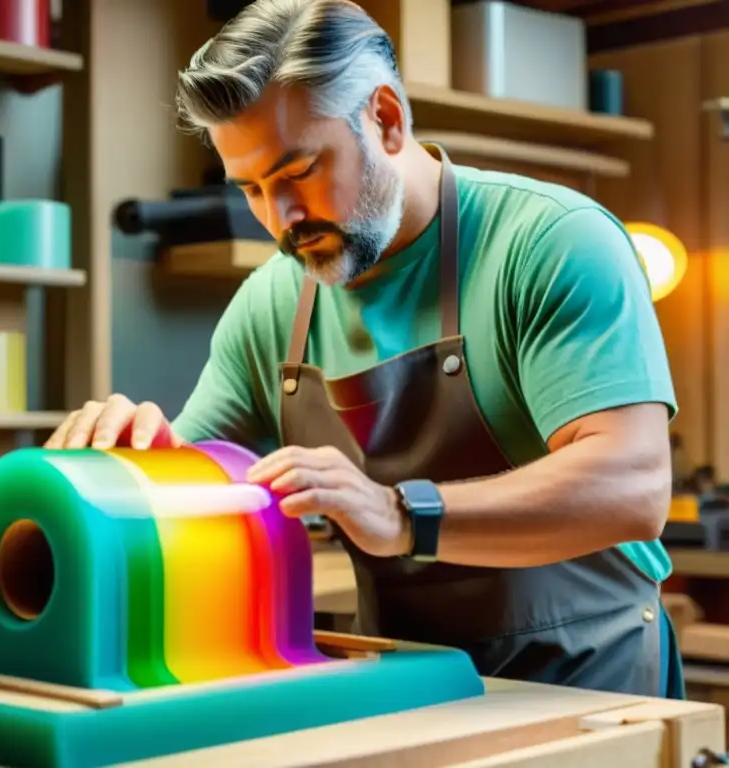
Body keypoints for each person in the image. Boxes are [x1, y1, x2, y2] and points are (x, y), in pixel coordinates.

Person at [47, 0, 684, 698]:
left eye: (298, 172)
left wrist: (400, 515)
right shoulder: (271, 304)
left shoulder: (550, 243)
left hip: (591, 681)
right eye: (252, 189)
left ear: (386, 118)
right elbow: (194, 490)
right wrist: (126, 462)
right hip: (409, 684)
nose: (279, 220)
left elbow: (632, 487)